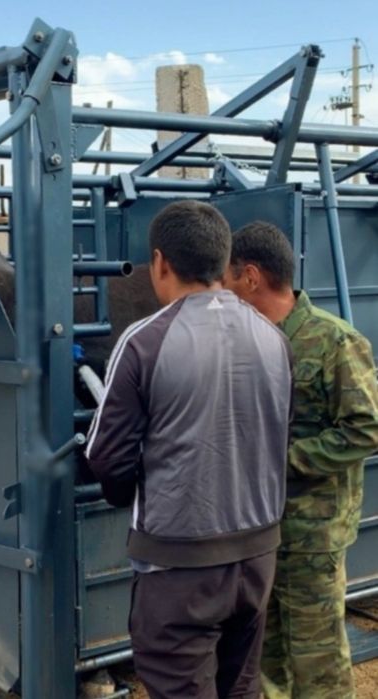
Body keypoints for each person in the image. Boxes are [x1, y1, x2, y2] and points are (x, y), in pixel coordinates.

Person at [86, 201, 293, 699]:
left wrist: (128, 496)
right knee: (240, 687)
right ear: (223, 261)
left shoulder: (144, 341)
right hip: (258, 558)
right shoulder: (274, 338)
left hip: (178, 565)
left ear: (160, 262)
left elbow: (107, 457)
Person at [224, 220, 378, 699]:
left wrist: (284, 462)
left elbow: (367, 427)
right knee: (265, 654)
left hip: (312, 533)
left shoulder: (334, 340)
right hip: (258, 529)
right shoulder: (246, 343)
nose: (223, 290)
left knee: (317, 661)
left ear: (251, 276)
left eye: (228, 278)